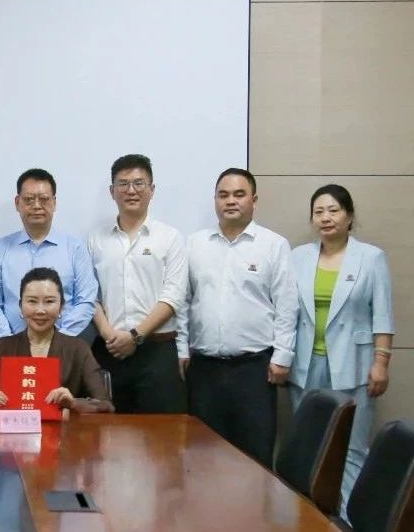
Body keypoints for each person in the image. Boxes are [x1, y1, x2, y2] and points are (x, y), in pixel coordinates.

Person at [179, 168, 296, 467]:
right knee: (203, 456)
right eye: (223, 195)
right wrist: (181, 349)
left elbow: (286, 305)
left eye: (239, 194)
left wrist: (282, 356)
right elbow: (183, 301)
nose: (230, 201)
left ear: (254, 200)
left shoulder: (274, 245)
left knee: (254, 456)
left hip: (254, 370)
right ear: (215, 200)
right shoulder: (194, 244)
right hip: (204, 369)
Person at [289, 184, 394, 508]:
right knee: (308, 446)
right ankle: (309, 517)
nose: (326, 218)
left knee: (351, 448)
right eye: (319, 212)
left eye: (333, 210)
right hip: (305, 364)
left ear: (349, 216)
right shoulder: (298, 257)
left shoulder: (371, 257)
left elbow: (383, 315)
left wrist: (381, 363)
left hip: (354, 364)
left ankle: (348, 518)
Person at [88, 154, 189, 414]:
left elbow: (173, 296)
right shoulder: (96, 239)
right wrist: (109, 335)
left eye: (139, 183)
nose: (131, 190)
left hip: (157, 351)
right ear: (112, 191)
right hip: (110, 349)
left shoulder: (170, 237)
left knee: (160, 433)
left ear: (151, 189)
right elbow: (89, 295)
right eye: (123, 184)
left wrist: (135, 336)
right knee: (107, 431)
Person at [0, 168, 98, 345]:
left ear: (54, 203)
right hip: (11, 347)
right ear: (17, 203)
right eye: (29, 199)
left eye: (44, 199)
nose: (36, 206)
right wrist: (8, 343)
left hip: (64, 347)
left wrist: (60, 341)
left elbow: (86, 300)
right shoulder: (1, 249)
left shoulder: (75, 248)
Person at [0, 267, 113, 415]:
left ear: (61, 307)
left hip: (64, 429)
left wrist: (73, 403)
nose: (40, 310)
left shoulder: (78, 348)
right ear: (21, 306)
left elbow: (105, 405)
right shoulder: (2, 347)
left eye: (49, 301)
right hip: (15, 429)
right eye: (32, 301)